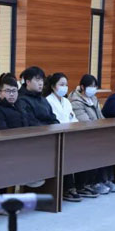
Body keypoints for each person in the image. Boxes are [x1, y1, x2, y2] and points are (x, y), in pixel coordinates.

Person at [69, 74, 115, 195]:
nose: (94, 89)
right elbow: (85, 121)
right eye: (91, 86)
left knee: (110, 145)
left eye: (95, 87)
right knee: (97, 148)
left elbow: (101, 117)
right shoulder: (75, 101)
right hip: (84, 135)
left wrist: (105, 127)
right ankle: (94, 182)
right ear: (82, 87)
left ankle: (106, 180)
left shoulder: (93, 99)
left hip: (97, 132)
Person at [43, 73, 82, 202]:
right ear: (53, 86)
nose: (65, 87)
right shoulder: (48, 101)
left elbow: (73, 118)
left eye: (66, 85)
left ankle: (81, 185)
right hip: (55, 136)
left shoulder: (66, 101)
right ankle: (67, 187)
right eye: (61, 84)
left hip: (69, 135)